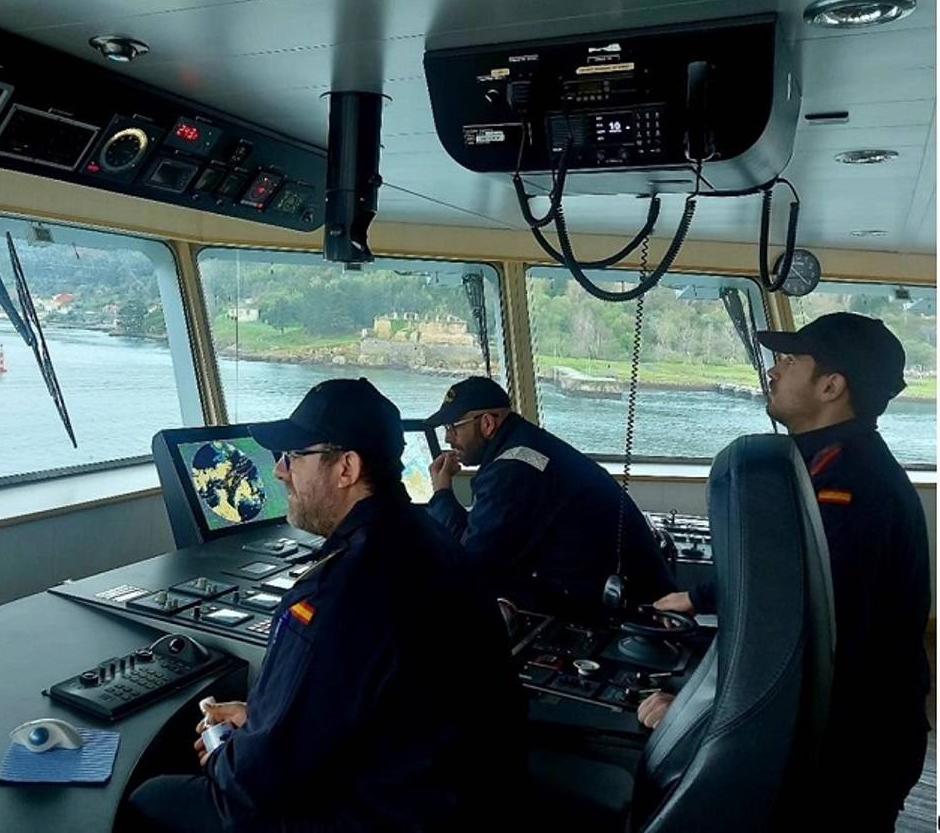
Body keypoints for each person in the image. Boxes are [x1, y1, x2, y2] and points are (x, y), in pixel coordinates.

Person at [129, 378, 522, 832]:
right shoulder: (433, 538)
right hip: (457, 796)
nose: (279, 470)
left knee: (148, 799)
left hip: (380, 814)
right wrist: (260, 717)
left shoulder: (337, 592)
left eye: (293, 456)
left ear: (346, 468)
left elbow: (252, 784)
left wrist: (223, 751)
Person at [638, 313, 930, 832]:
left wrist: (694, 719)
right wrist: (697, 597)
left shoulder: (849, 489)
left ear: (831, 386)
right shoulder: (827, 466)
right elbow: (792, 584)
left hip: (847, 753)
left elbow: (790, 637)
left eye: (790, 360)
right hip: (849, 735)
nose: (773, 371)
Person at [425, 376, 675, 617]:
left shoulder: (511, 470)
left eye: (453, 428)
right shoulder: (525, 445)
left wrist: (442, 493)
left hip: (614, 603)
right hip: (624, 583)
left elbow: (472, 561)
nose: (448, 438)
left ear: (488, 423)